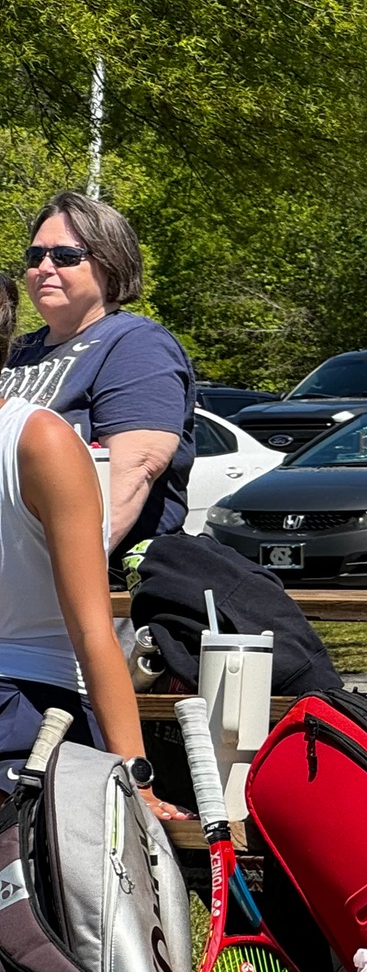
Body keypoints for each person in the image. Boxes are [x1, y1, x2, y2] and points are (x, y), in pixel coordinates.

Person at [0, 274, 181, 818]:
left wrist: (132, 773)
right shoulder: (40, 440)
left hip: (32, 711)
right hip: (37, 709)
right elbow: (91, 629)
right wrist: (136, 777)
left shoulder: (34, 441)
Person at [2, 192, 194, 553]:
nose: (44, 268)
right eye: (35, 256)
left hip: (96, 584)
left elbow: (135, 470)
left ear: (110, 264)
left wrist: (63, 576)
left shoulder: (136, 345)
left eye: (65, 256)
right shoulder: (16, 352)